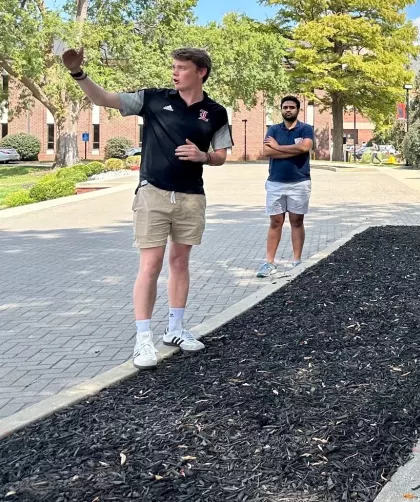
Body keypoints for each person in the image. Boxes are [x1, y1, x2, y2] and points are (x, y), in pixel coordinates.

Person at [62, 46, 232, 370]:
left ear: (201, 72)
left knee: (180, 263)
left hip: (191, 196)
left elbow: (222, 154)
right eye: (174, 66)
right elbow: (103, 99)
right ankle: (143, 340)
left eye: (182, 67)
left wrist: (204, 157)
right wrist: (77, 73)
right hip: (153, 194)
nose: (175, 72)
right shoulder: (153, 99)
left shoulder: (216, 112)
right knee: (150, 266)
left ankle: (175, 330)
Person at [256, 96, 315, 277]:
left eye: (291, 107)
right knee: (276, 222)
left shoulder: (306, 128)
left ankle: (296, 261)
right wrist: (293, 149)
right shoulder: (273, 129)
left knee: (297, 222)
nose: (288, 110)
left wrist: (278, 148)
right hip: (275, 183)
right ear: (281, 109)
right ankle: (269, 263)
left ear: (298, 109)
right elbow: (266, 151)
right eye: (285, 107)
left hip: (300, 183)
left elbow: (305, 148)